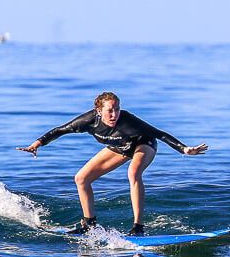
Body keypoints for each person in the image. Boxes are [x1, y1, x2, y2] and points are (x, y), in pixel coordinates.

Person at [17, 91, 208, 236]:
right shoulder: (87, 121)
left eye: (117, 109)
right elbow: (60, 130)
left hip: (143, 143)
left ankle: (138, 227)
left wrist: (184, 149)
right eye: (110, 110)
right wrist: (37, 144)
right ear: (98, 111)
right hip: (120, 147)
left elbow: (159, 133)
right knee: (81, 178)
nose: (114, 114)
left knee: (133, 173)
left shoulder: (127, 121)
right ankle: (89, 224)